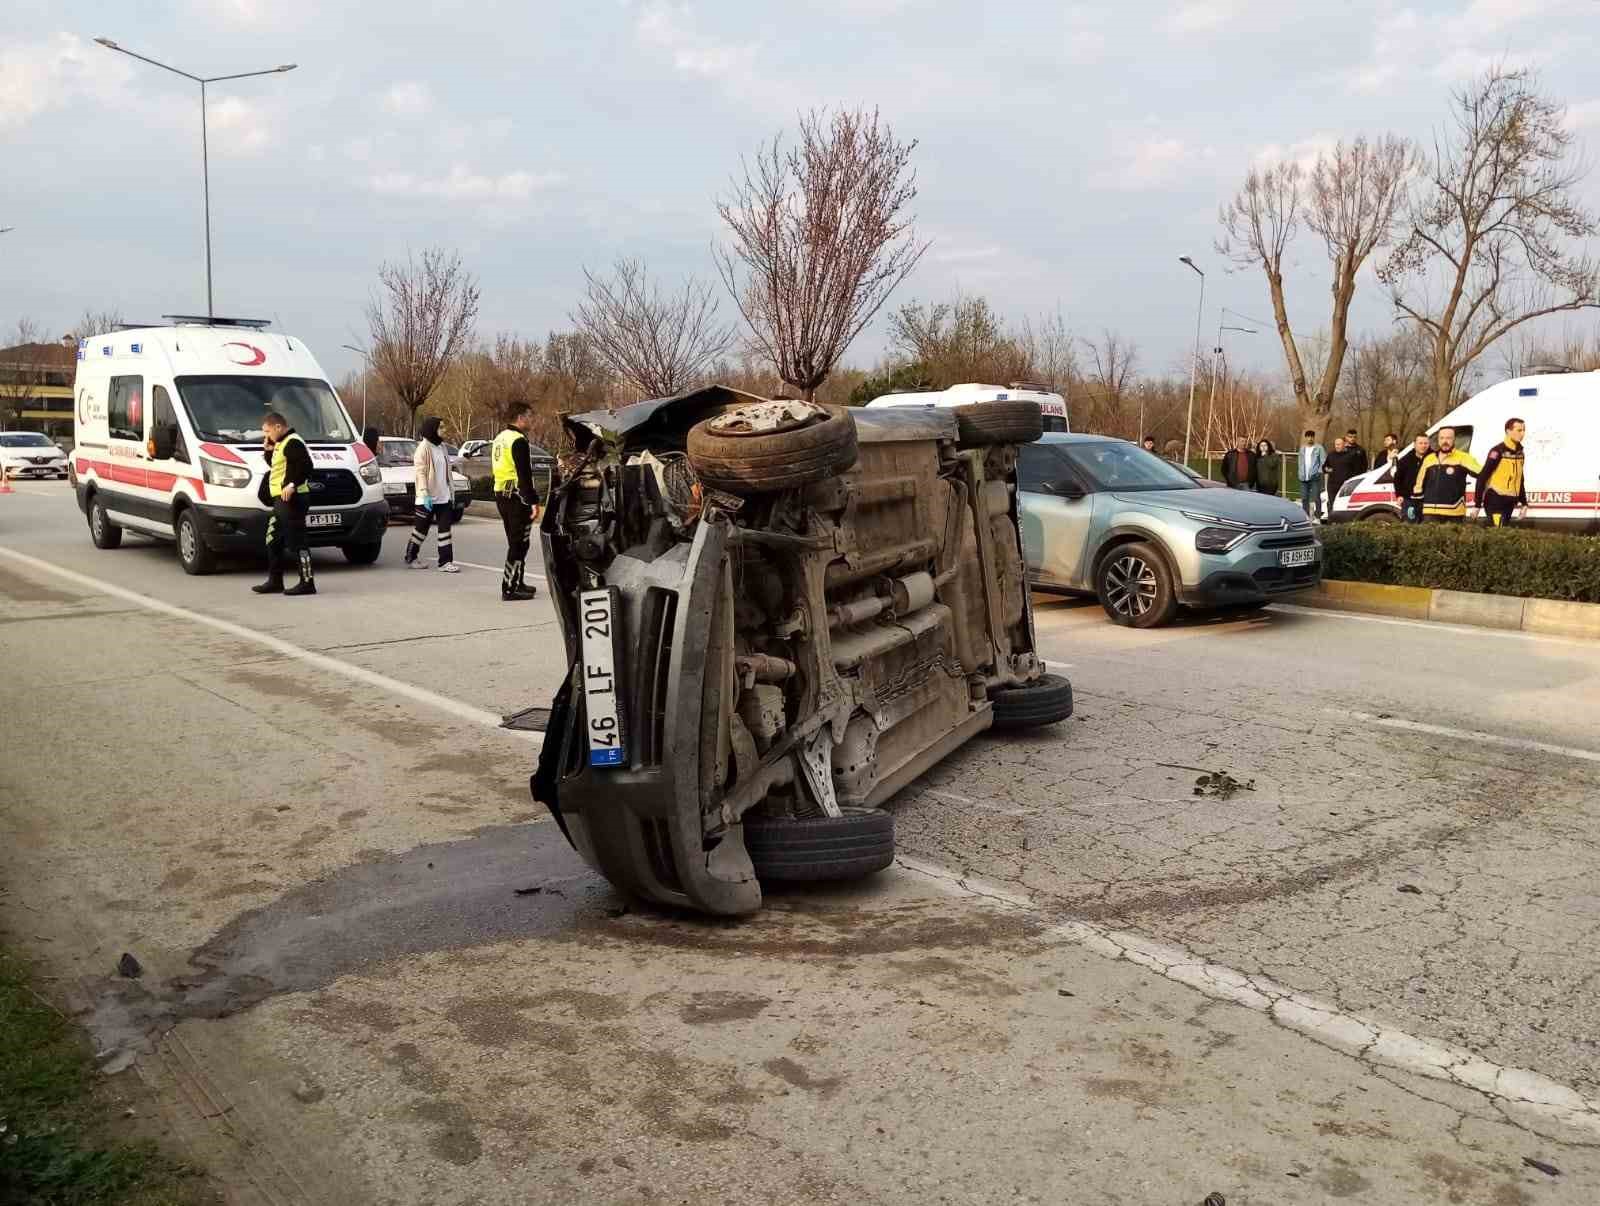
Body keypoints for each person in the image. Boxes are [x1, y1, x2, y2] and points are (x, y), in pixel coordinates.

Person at [252, 411, 316, 596]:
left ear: (278, 427)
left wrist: (292, 484)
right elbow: (277, 467)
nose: (266, 436)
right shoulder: (281, 443)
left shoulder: (293, 442)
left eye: (267, 431)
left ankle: (307, 582)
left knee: (298, 542)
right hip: (281, 500)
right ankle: (275, 581)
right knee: (273, 540)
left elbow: (306, 466)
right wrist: (268, 450)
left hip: (293, 499)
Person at [492, 404, 542, 601]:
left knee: (520, 542)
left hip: (502, 494)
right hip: (516, 497)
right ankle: (509, 587)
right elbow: (524, 474)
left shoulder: (500, 437)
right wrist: (533, 501)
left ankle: (518, 581)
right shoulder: (518, 440)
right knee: (518, 543)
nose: (532, 420)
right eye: (530, 416)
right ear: (520, 417)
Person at [404, 416, 459, 572]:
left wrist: (451, 493)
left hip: (443, 497)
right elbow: (420, 472)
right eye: (440, 427)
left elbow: (447, 471)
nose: (443, 430)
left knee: (445, 530)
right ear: (432, 429)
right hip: (427, 498)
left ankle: (445, 562)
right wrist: (424, 493)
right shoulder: (423, 448)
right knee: (421, 530)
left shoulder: (442, 447)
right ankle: (411, 556)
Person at [1415, 426, 1483, 523]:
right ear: (1438, 440)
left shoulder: (1463, 458)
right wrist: (1418, 506)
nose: (1445, 441)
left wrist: (1478, 503)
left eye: (1448, 438)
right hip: (1429, 513)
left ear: (1454, 439)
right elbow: (1419, 484)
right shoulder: (1429, 459)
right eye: (1442, 438)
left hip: (1454, 513)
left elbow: (1482, 474)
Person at [1477, 417, 1527, 528]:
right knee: (1497, 531)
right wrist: (1477, 504)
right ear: (1508, 431)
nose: (1522, 434)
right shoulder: (1497, 451)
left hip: (1510, 501)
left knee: (1503, 533)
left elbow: (1520, 479)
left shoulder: (1520, 453)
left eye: (1524, 430)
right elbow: (1482, 477)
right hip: (1495, 499)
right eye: (1519, 430)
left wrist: (1524, 503)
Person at [1393, 434, 1431, 523]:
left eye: (1425, 443)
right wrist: (1399, 495)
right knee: (1410, 526)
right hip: (1409, 500)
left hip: (1428, 500)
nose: (1423, 446)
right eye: (1420, 443)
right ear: (1414, 444)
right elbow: (1397, 479)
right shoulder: (1405, 460)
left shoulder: (1434, 458)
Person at [1324, 436, 1365, 506]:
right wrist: (1327, 469)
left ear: (1344, 444)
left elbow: (1357, 470)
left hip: (1346, 485)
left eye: (1339, 444)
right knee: (1332, 504)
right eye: (1336, 444)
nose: (1337, 446)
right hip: (1332, 485)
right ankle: (1332, 516)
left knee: (1343, 505)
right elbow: (1325, 466)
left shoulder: (1351, 455)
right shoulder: (1331, 455)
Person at [1297, 430, 1326, 519]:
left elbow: (1323, 461)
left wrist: (1318, 472)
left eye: (1311, 437)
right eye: (1308, 437)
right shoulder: (1302, 448)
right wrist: (1299, 472)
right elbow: (1300, 462)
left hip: (1314, 477)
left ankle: (1317, 517)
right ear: (1305, 438)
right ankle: (1306, 516)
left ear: (1314, 437)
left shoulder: (1319, 448)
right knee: (1304, 498)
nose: (1310, 438)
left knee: (1316, 497)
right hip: (1303, 477)